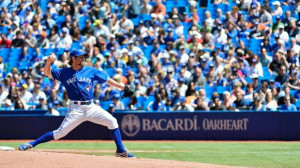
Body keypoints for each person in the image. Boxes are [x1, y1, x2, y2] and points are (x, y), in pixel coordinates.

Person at [18, 49, 135, 158]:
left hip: (91, 107)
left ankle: (120, 150)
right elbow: (47, 73)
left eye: (83, 57)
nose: (82, 59)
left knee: (112, 121)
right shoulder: (64, 72)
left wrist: (123, 87)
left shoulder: (90, 70)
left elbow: (107, 79)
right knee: (59, 134)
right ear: (73, 59)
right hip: (76, 109)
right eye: (80, 57)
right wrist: (48, 62)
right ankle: (31, 144)